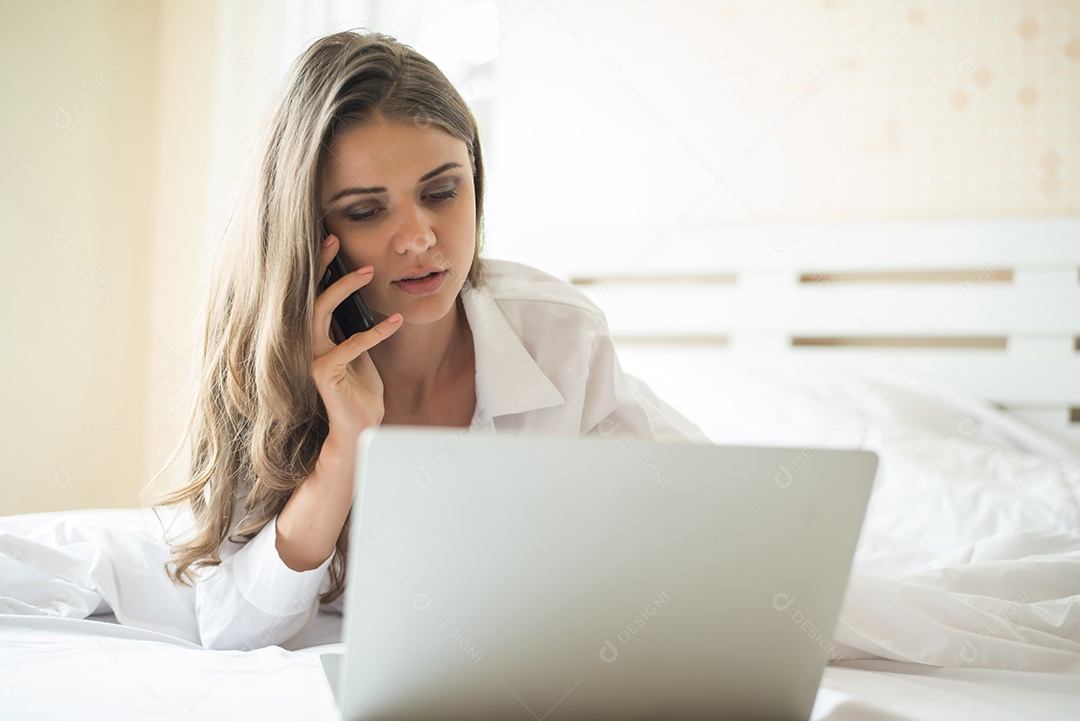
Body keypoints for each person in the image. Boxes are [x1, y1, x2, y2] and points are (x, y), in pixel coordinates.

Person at [154, 28, 707, 651]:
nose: (419, 238)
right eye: (366, 211)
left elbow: (674, 562)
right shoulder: (264, 360)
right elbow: (232, 632)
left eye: (442, 192)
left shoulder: (563, 336)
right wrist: (344, 448)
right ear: (308, 228)